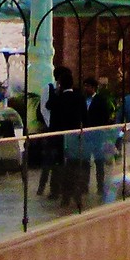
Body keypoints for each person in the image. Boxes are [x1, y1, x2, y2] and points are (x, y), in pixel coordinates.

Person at [41, 66, 83, 198]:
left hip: (58, 136)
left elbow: (48, 105)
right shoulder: (78, 96)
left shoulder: (58, 98)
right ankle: (72, 190)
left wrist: (57, 92)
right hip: (73, 136)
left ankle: (56, 190)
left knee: (57, 163)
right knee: (71, 163)